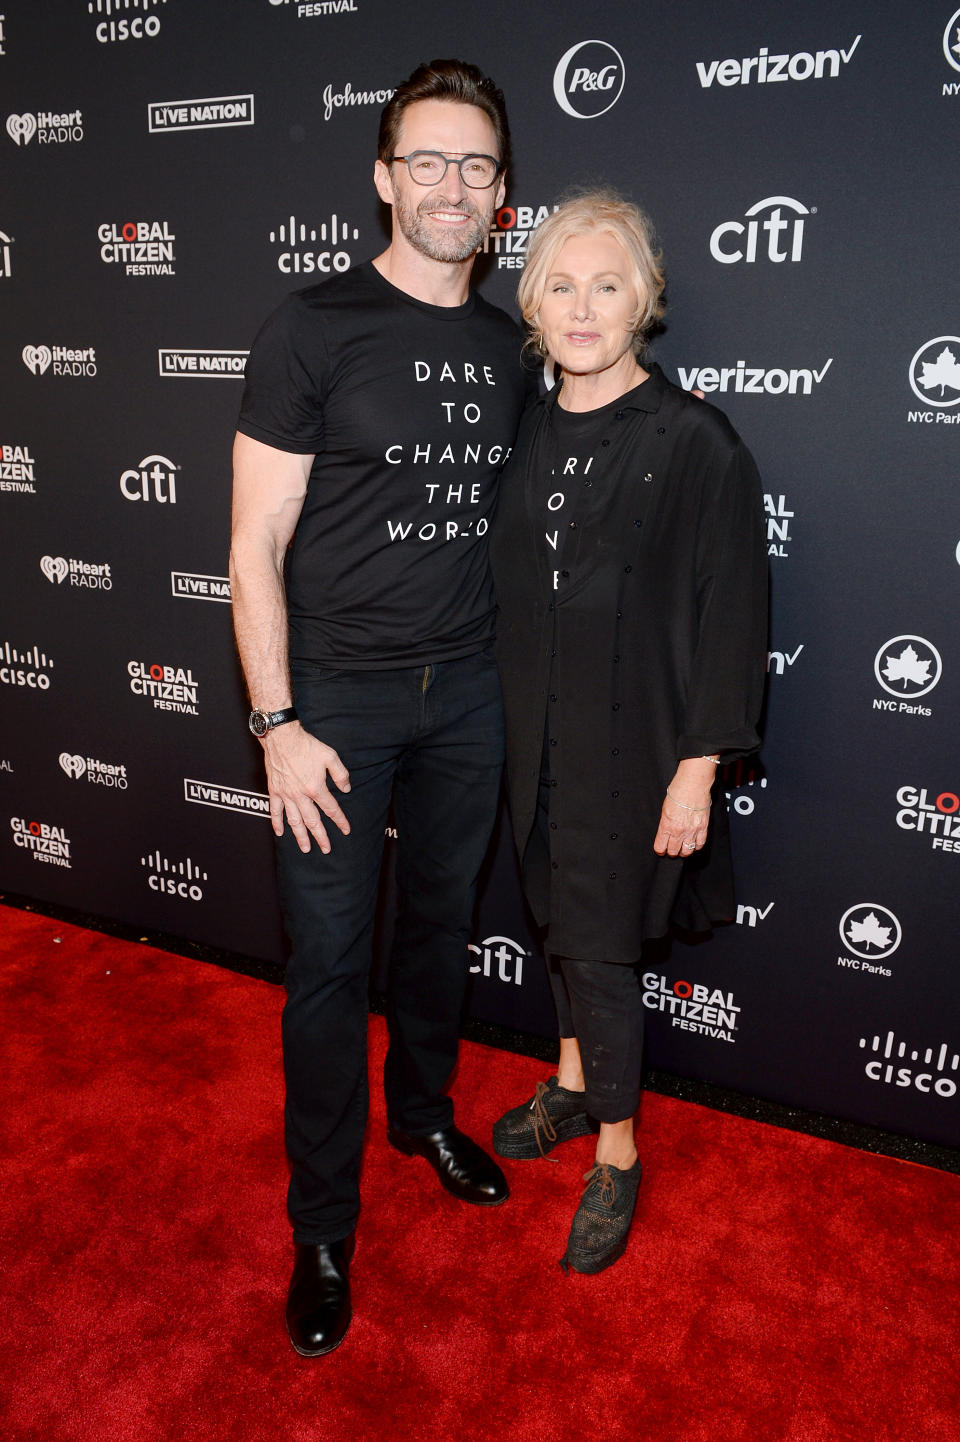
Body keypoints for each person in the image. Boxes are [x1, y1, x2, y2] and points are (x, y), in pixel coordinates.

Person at [229, 59, 533, 1356]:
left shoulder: (519, 343)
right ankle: (323, 1226)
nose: (452, 184)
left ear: (504, 193)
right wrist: (278, 724)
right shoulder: (312, 328)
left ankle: (422, 1114)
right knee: (328, 969)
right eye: (429, 160)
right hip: (334, 706)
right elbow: (254, 545)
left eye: (475, 165)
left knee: (442, 930)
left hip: (471, 693)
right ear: (383, 179)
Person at [489, 191, 767, 1274]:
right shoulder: (523, 422)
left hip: (637, 746)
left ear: (644, 299)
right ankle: (569, 1082)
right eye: (561, 284)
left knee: (600, 949)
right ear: (534, 303)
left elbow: (734, 613)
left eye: (607, 284)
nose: (583, 306)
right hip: (533, 739)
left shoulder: (697, 441)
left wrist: (697, 772)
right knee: (560, 922)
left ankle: (618, 1146)